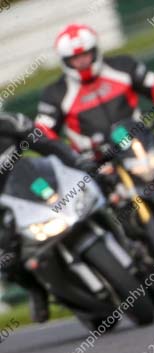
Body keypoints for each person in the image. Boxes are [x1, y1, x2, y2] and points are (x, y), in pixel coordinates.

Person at [35, 23, 154, 252]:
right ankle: (120, 252)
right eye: (76, 58)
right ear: (65, 61)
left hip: (139, 145)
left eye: (85, 55)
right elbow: (43, 128)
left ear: (95, 51)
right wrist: (62, 152)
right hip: (94, 161)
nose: (82, 62)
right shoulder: (55, 93)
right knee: (89, 204)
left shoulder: (122, 66)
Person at [0, 111, 98, 323]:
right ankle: (37, 291)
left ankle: (130, 239)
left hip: (36, 183)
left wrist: (78, 161)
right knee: (6, 257)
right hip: (6, 207)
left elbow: (48, 144)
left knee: (96, 194)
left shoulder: (10, 121)